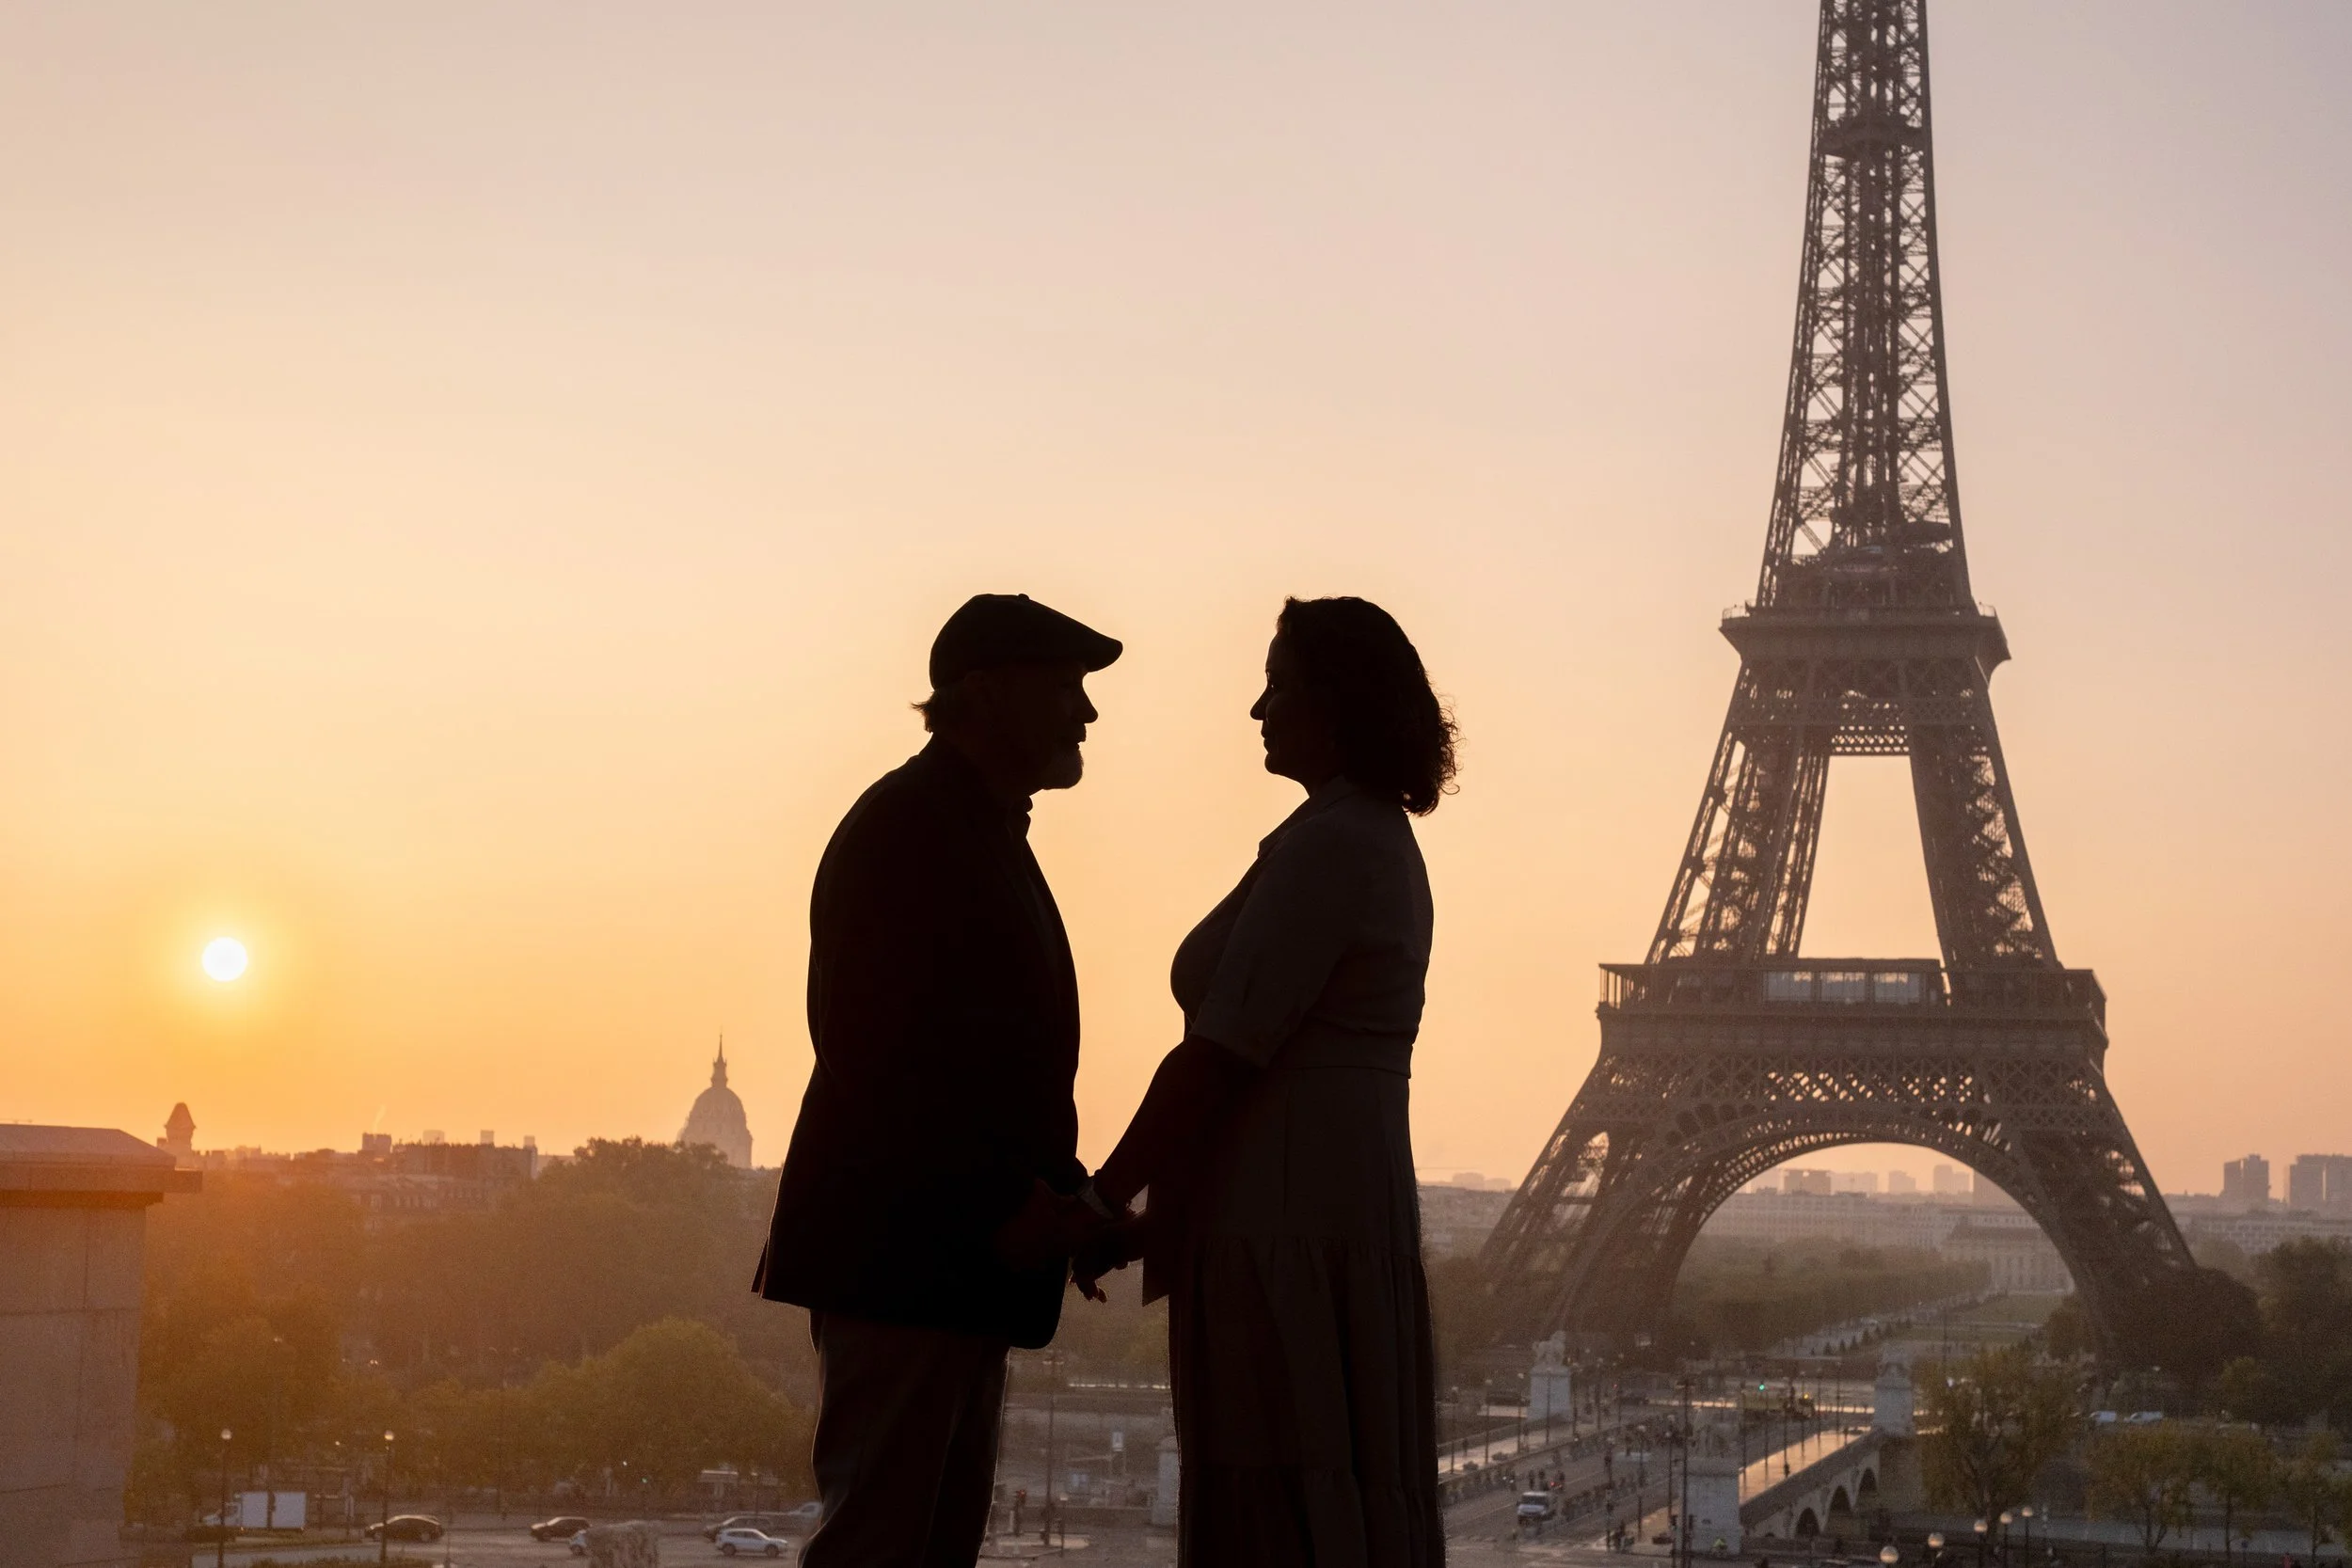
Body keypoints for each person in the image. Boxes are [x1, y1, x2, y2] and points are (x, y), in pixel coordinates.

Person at [1079, 594, 1454, 1566]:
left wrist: (1095, 1197)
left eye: (1277, 684)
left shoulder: (1333, 844)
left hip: (1284, 1233)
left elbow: (1218, 1057)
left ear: (1333, 705)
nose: (1256, 707)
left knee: (1272, 1492)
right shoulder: (1357, 836)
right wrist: (1146, 1225)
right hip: (1307, 1211)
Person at [755, 593, 1123, 1567]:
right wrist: (1014, 1203)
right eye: (1068, 687)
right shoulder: (921, 831)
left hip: (934, 1253)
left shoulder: (954, 827)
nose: (1086, 713)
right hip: (917, 1257)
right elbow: (882, 1062)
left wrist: (1047, 1200)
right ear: (985, 694)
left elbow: (944, 1063)